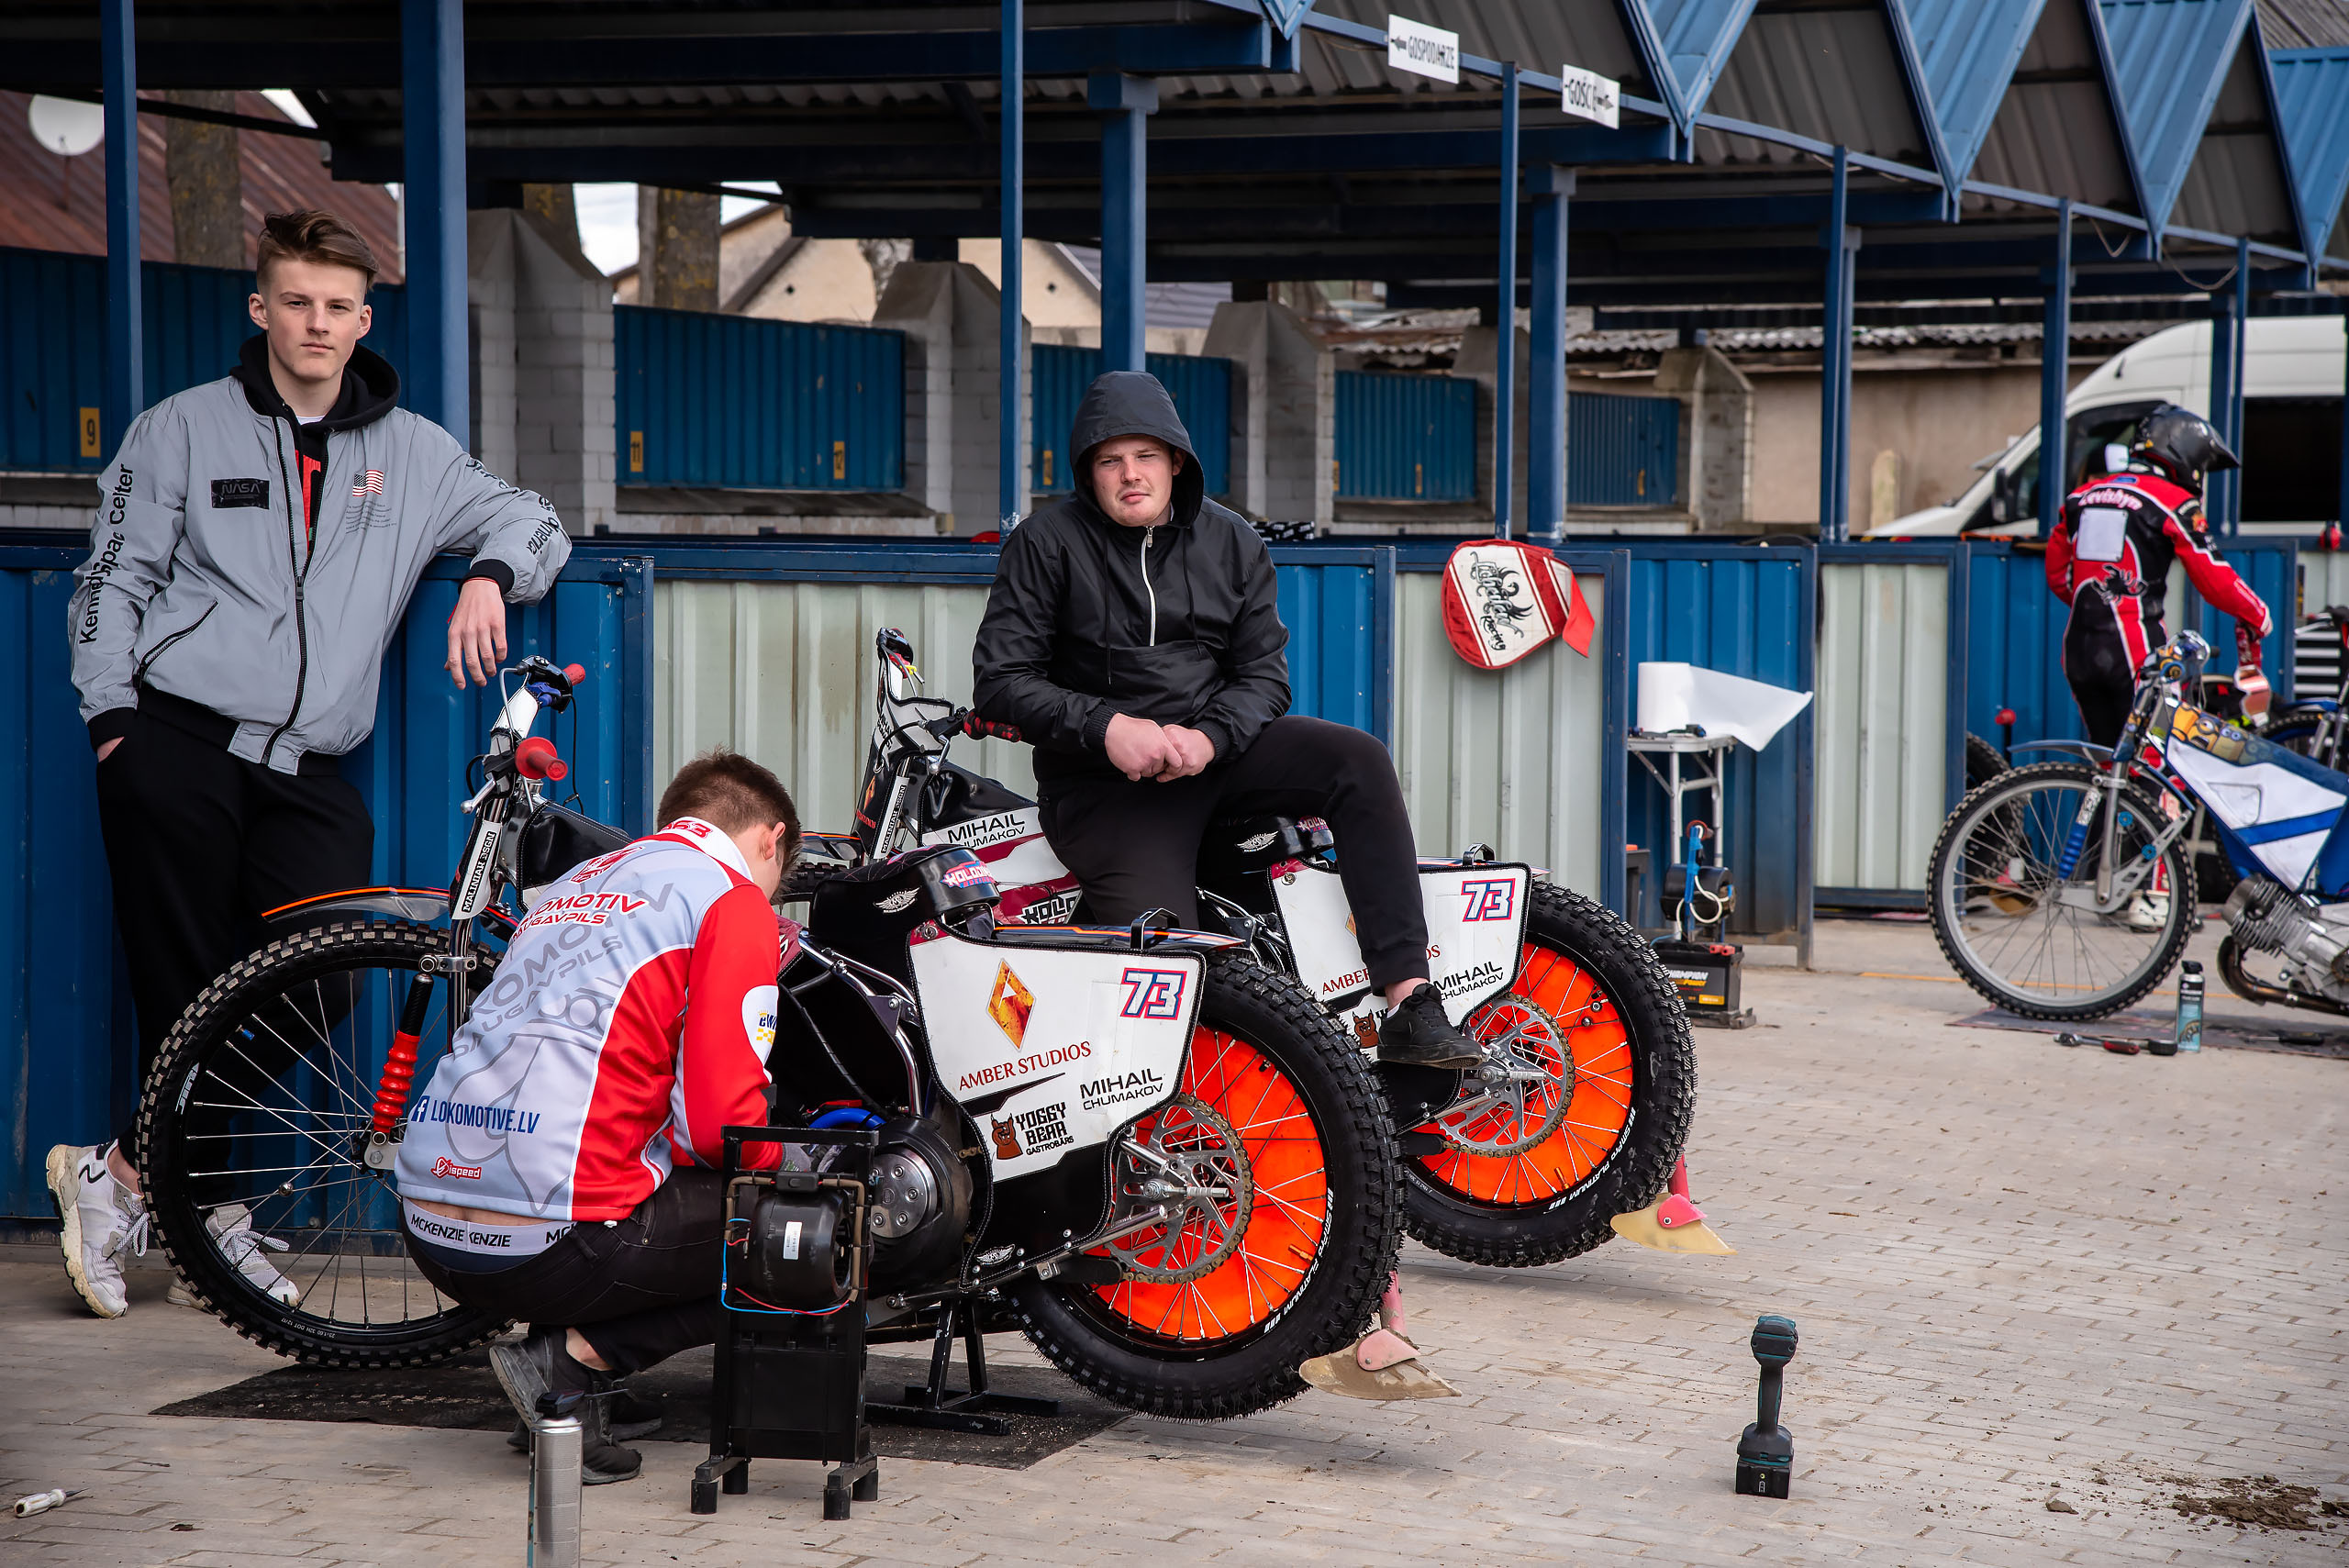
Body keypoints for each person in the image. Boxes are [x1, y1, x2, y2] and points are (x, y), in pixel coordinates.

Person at [47, 209, 573, 1320]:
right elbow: (110, 580)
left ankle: (130, 1174)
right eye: (295, 301)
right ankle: (212, 1215)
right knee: (183, 986)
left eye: (336, 306)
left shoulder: (414, 450)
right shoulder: (179, 429)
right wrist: (112, 719)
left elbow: (535, 518)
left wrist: (486, 573)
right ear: (261, 309)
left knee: (318, 977)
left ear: (363, 318)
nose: (315, 323)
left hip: (308, 770)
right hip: (174, 741)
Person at [973, 370, 1476, 1070]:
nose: (1130, 475)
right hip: (1105, 790)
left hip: (1219, 760)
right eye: (1110, 460)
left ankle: (1411, 1003)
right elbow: (1001, 682)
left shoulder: (1231, 539)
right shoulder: (1045, 541)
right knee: (1171, 977)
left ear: (1176, 460)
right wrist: (1109, 727)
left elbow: (1265, 677)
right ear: (1088, 471)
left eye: (1145, 456)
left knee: (1356, 758)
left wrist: (1209, 737)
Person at [395, 751, 799, 1485]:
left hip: (431, 1230)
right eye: (783, 874)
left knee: (625, 1161)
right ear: (770, 840)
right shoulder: (732, 900)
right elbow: (718, 1128)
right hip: (550, 1244)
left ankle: (569, 1392)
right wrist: (792, 1167)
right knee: (797, 1230)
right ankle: (571, 1363)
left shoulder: (575, 882)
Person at [2047, 402, 2271, 748]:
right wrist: (2257, 613)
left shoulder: (2081, 497)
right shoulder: (2171, 500)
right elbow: (2213, 578)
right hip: (2136, 655)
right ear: (2185, 454)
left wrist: (2100, 604)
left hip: (2078, 652)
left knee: (2111, 761)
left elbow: (2060, 577)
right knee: (2157, 758)